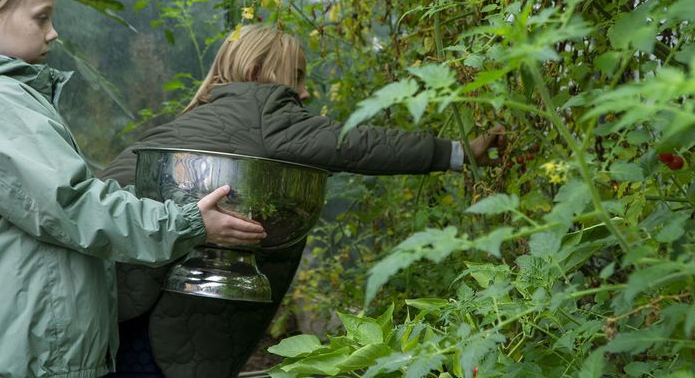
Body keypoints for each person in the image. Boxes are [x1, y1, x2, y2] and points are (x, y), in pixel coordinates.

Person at [0, 0, 266, 378]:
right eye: (41, 17)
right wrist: (186, 222)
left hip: (35, 349)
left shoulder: (3, 99)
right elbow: (72, 204)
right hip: (32, 356)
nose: (53, 32)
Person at [99, 24, 506, 377]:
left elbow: (108, 189)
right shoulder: (268, 113)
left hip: (120, 309)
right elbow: (360, 146)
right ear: (258, 73)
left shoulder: (191, 119)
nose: (306, 91)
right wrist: (458, 153)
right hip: (174, 335)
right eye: (297, 76)